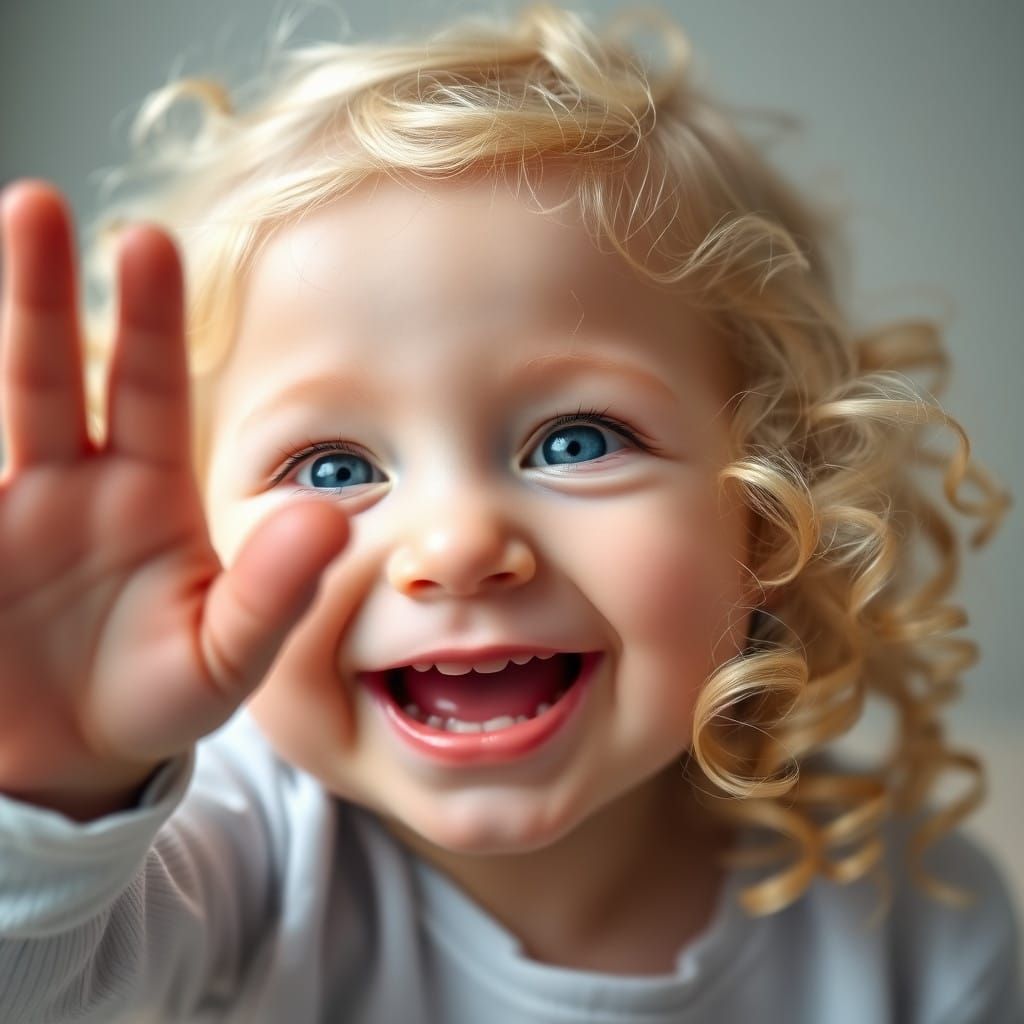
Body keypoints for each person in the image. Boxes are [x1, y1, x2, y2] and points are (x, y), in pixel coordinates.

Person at [0, 5, 1020, 1022]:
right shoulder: (231, 849)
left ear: (769, 504)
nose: (456, 544)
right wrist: (60, 792)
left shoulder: (914, 927)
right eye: (329, 464)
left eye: (574, 441)